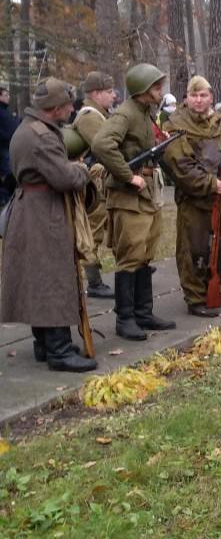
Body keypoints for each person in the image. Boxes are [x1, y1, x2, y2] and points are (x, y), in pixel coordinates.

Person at [0, 78, 97, 372]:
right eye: (68, 105)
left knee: (39, 277)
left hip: (33, 209)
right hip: (43, 213)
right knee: (53, 277)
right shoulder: (41, 136)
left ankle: (44, 344)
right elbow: (64, 178)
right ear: (55, 108)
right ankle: (59, 350)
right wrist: (83, 171)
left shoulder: (28, 127)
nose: (71, 109)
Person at [92, 63, 177, 340]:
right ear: (142, 89)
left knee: (145, 253)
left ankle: (143, 313)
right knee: (130, 256)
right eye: (155, 86)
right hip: (130, 195)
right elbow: (102, 144)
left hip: (147, 192)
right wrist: (128, 176)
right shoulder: (126, 113)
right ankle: (125, 319)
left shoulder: (145, 113)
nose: (159, 91)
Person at [164, 76, 221, 315]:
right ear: (187, 98)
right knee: (194, 249)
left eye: (203, 95)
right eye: (194, 95)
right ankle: (195, 297)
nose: (199, 100)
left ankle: (218, 289)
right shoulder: (176, 125)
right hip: (194, 199)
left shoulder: (220, 122)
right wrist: (210, 183)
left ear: (211, 97)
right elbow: (180, 165)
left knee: (220, 247)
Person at [71, 70, 117, 298]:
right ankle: (94, 282)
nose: (113, 96)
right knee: (94, 230)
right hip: (96, 182)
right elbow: (104, 148)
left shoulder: (101, 113)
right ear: (96, 93)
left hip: (103, 179)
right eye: (109, 92)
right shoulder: (90, 116)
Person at [0, 80, 19, 206]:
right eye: (6, 95)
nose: (8, 97)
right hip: (4, 148)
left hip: (7, 147)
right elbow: (9, 129)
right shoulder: (2, 112)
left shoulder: (5, 111)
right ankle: (6, 200)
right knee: (9, 174)